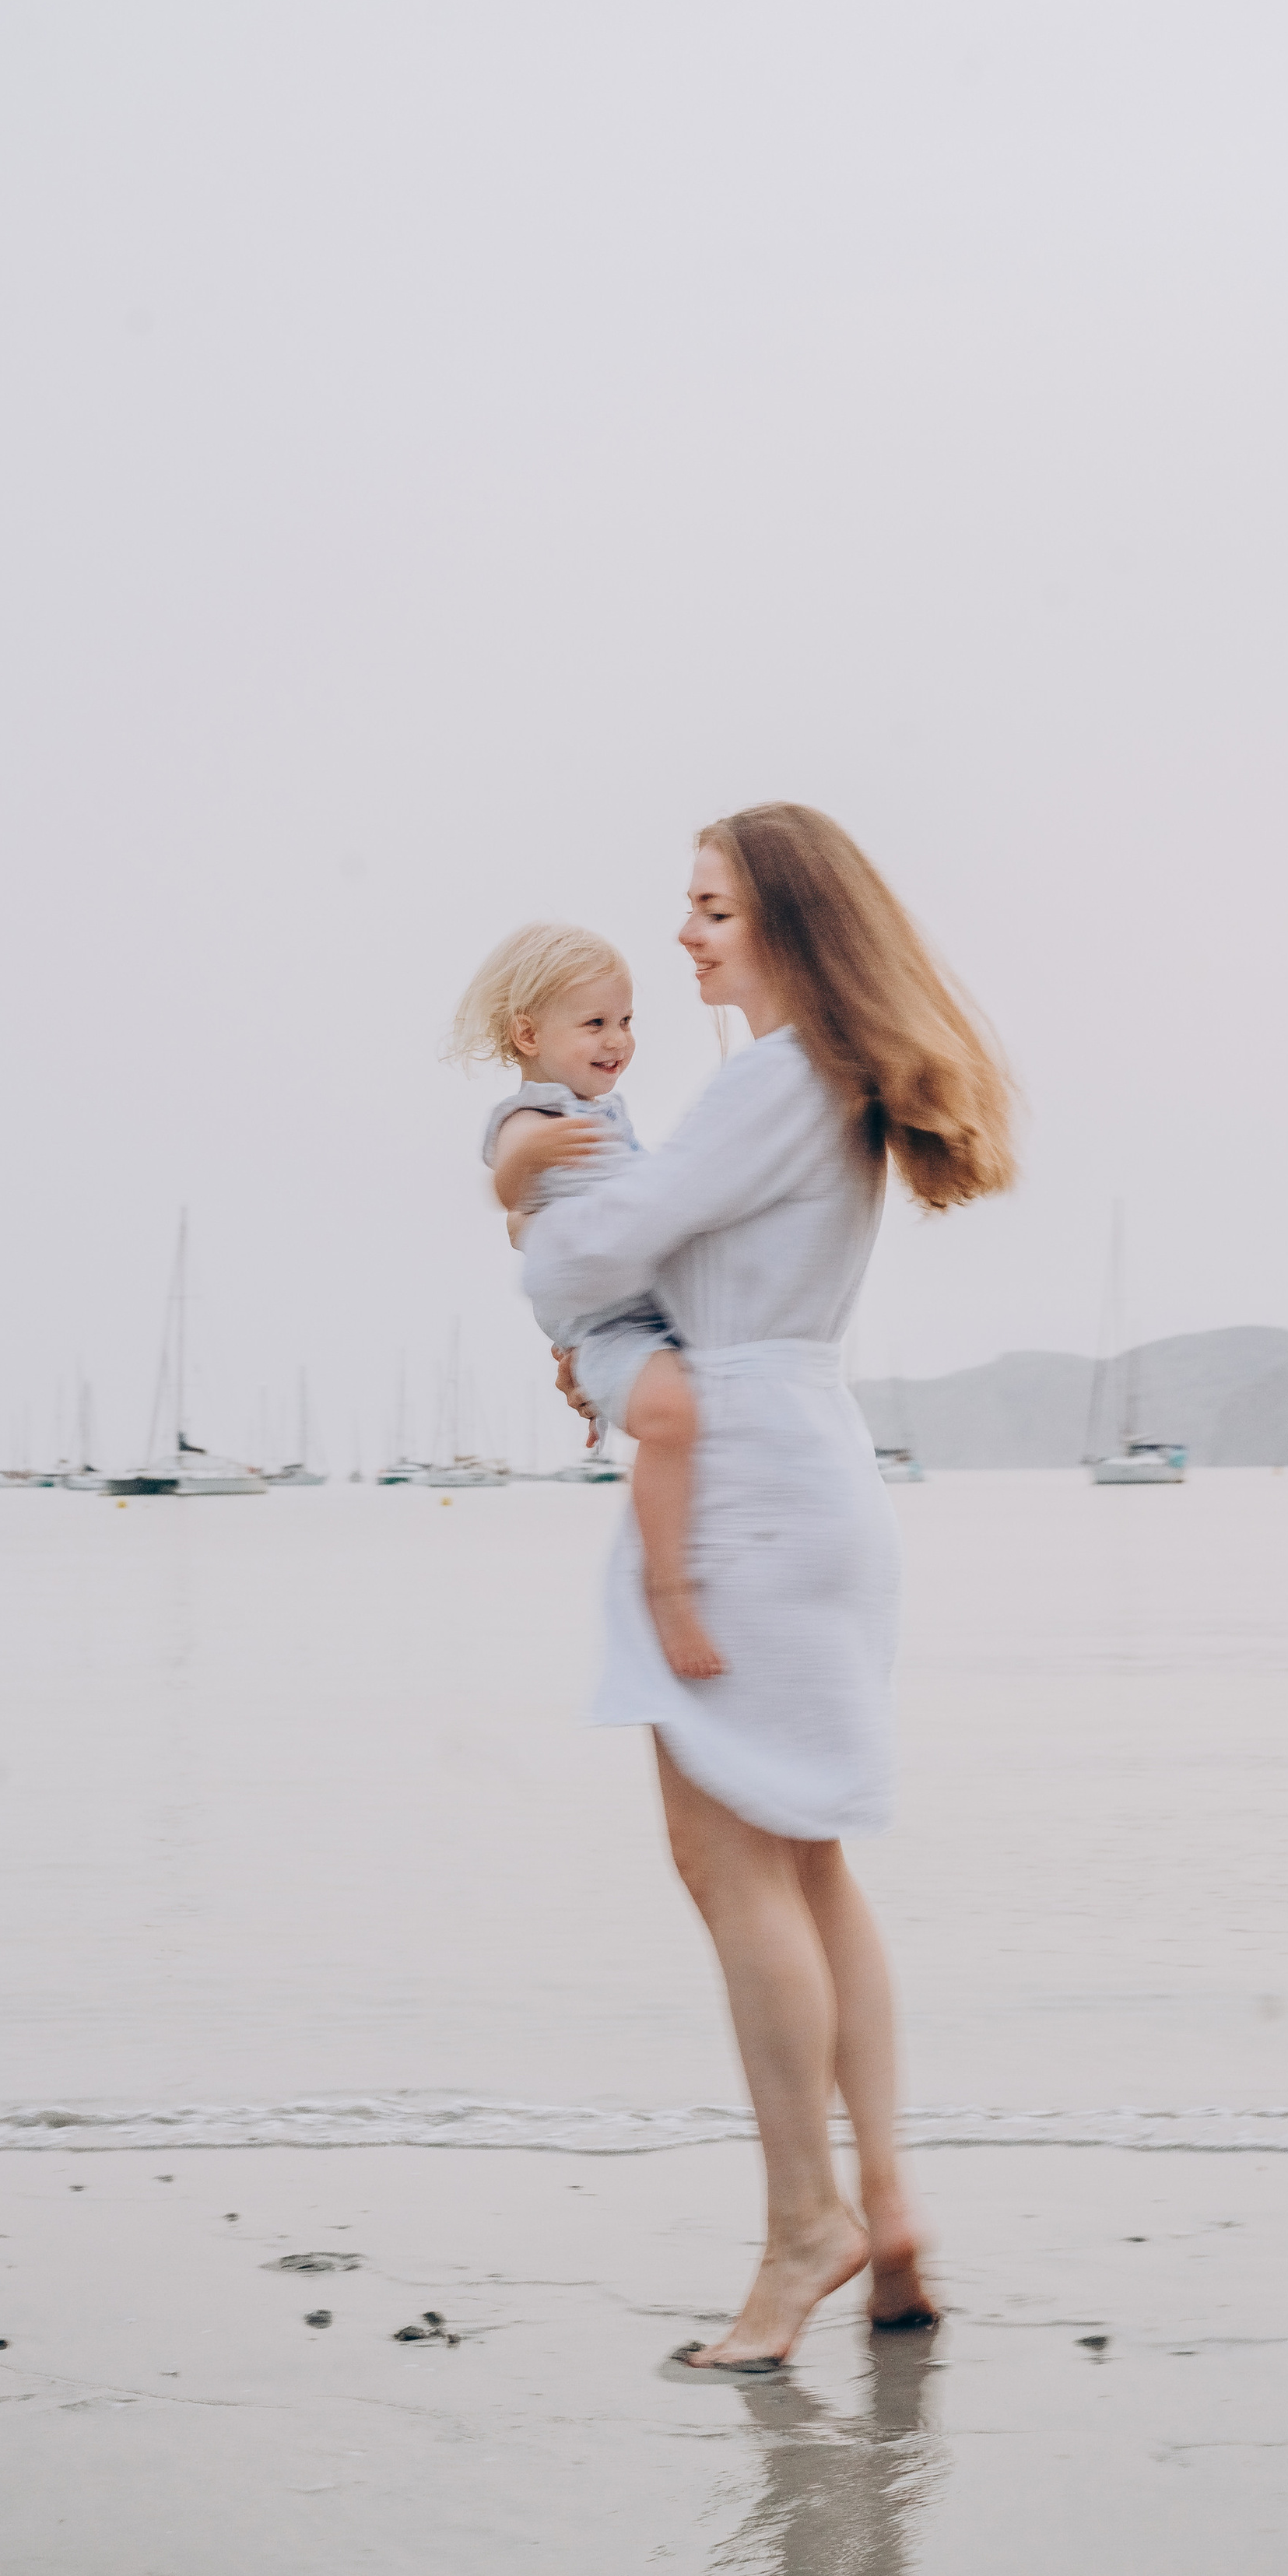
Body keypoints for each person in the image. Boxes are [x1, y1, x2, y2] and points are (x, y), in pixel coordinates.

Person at [511, 805, 1015, 2371]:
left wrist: (518, 1189)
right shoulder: (833, 1083)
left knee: (734, 1871)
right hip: (801, 1468)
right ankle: (880, 2205)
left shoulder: (769, 1078)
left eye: (711, 909)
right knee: (804, 1871)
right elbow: (657, 1269)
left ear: (791, 923)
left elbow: (584, 1257)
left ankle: (807, 2224)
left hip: (747, 1493)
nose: (682, 935)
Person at [447, 921, 725, 1681]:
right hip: (605, 1328)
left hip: (647, 1304)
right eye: (595, 1023)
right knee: (672, 1413)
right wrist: (526, 1167)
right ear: (528, 1032)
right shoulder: (529, 1118)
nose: (618, 1040)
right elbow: (506, 1187)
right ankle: (666, 1585)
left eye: (626, 1020)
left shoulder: (611, 1115)